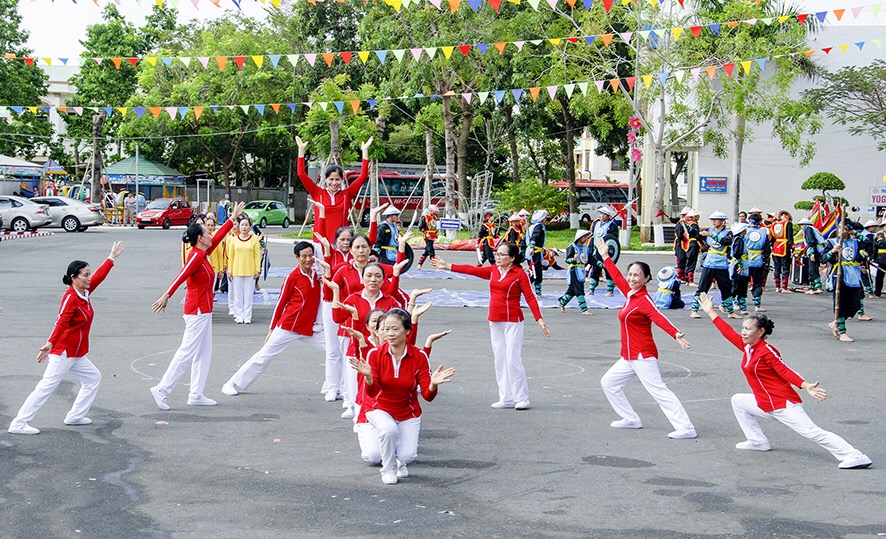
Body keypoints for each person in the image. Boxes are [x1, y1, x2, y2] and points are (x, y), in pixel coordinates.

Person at [697, 292, 872, 469]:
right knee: (738, 401)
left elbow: (784, 370)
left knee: (812, 432)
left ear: (761, 332)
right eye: (742, 328)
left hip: (782, 403)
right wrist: (711, 312)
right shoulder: (748, 346)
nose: (743, 332)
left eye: (747, 329)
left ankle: (855, 455)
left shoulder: (766, 351)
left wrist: (805, 386)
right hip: (765, 403)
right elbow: (727, 332)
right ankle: (757, 441)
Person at [7, 242, 125, 435]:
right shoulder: (71, 297)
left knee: (93, 378)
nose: (89, 278)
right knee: (46, 386)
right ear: (73, 277)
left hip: (76, 353)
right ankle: (19, 423)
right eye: (85, 275)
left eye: (89, 274)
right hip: (63, 351)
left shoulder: (84, 292)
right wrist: (50, 344)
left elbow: (100, 277)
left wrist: (111, 257)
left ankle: (75, 416)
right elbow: (61, 321)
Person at [593, 238, 697, 439]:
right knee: (609, 383)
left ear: (646, 278)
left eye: (637, 275)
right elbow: (616, 277)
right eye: (630, 274)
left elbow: (659, 317)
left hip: (642, 355)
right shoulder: (630, 293)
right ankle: (631, 419)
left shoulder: (643, 300)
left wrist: (675, 333)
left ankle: (686, 428)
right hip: (629, 356)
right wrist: (605, 256)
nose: (632, 278)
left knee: (659, 391)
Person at [432, 242, 550, 410]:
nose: (498, 257)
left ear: (512, 258)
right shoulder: (494, 270)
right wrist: (448, 266)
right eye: (497, 254)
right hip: (495, 320)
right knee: (500, 359)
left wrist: (539, 318)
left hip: (513, 321)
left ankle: (521, 398)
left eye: (502, 255)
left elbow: (530, 297)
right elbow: (473, 270)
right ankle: (506, 397)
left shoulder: (520, 274)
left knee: (512, 359)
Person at [150, 202, 245, 410]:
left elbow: (219, 237)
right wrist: (167, 295)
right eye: (207, 232)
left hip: (204, 311)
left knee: (204, 353)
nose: (211, 233)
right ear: (200, 238)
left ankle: (196, 393)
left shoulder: (203, 254)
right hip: (196, 311)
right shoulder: (195, 256)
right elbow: (181, 275)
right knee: (187, 352)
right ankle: (162, 389)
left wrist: (232, 218)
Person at [350, 309, 456, 484]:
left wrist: (433, 384)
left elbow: (428, 396)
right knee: (377, 449)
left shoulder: (419, 357)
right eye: (385, 329)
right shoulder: (374, 354)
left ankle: (398, 461)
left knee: (408, 455)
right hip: (378, 408)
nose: (389, 334)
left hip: (408, 412)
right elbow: (371, 392)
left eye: (394, 329)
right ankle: (388, 469)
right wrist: (368, 377)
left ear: (407, 331)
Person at [222, 242, 326, 396]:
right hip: (288, 326)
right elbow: (281, 303)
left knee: (334, 350)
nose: (308, 259)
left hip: (310, 328)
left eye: (311, 255)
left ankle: (333, 386)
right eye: (304, 256)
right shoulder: (292, 277)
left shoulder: (318, 276)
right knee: (263, 356)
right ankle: (232, 383)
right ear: (297, 258)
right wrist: (272, 328)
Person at [296, 136, 373, 243]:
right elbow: (301, 174)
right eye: (331, 179)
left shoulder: (347, 194)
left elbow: (363, 176)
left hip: (342, 243)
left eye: (337, 179)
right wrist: (301, 150)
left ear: (342, 180)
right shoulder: (317, 193)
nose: (334, 183)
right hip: (321, 242)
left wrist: (364, 152)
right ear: (326, 179)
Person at [823, 228, 866, 342]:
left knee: (856, 304)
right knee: (840, 305)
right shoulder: (832, 242)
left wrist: (861, 258)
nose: (843, 231)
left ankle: (836, 322)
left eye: (846, 229)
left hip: (853, 275)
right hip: (839, 275)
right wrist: (832, 251)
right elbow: (823, 259)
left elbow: (868, 246)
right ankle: (842, 332)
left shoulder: (856, 242)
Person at [690, 211, 736, 318]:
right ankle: (694, 310)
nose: (714, 221)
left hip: (721, 264)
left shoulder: (727, 233)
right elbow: (697, 236)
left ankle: (731, 312)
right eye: (712, 219)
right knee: (702, 287)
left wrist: (711, 235)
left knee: (726, 288)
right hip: (709, 263)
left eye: (716, 219)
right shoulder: (708, 231)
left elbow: (727, 241)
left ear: (723, 221)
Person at [226, 216, 262, 324]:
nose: (244, 227)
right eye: (242, 225)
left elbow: (257, 255)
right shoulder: (233, 240)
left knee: (248, 295)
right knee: (237, 294)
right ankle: (239, 315)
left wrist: (257, 269)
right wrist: (230, 270)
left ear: (250, 227)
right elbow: (230, 256)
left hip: (250, 270)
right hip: (237, 270)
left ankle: (247, 316)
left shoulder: (254, 239)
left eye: (246, 225)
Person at [558, 229, 593, 315]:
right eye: (584, 237)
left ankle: (562, 303)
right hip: (574, 271)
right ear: (579, 238)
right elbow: (568, 260)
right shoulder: (572, 247)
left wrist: (600, 264)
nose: (586, 238)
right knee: (579, 290)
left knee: (572, 291)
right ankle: (584, 309)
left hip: (581, 270)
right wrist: (573, 259)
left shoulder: (585, 248)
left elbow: (591, 259)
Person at [588, 206, 620, 296]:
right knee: (595, 270)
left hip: (606, 252)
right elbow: (593, 236)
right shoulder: (596, 224)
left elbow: (613, 239)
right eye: (600, 214)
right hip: (596, 250)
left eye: (604, 214)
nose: (601, 216)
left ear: (608, 216)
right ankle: (591, 290)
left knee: (608, 270)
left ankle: (610, 291)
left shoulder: (612, 225)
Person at [799, 218, 826, 294]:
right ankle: (812, 287)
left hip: (814, 250)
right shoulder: (813, 228)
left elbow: (811, 242)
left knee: (812, 269)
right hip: (818, 250)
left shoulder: (807, 229)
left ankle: (818, 287)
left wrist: (812, 253)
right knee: (813, 269)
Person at [769, 210, 794, 293]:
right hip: (784, 246)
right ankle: (784, 287)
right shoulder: (788, 224)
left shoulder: (774, 224)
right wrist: (792, 247)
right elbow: (790, 237)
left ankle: (777, 287)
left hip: (776, 246)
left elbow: (771, 238)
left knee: (777, 267)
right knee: (785, 267)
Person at [729, 222, 751, 315]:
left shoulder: (739, 239)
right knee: (737, 286)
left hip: (742, 265)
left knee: (742, 286)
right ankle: (726, 304)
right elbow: (737, 254)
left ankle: (743, 307)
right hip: (739, 265)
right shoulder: (739, 240)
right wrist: (741, 265)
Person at [526, 209, 547, 296]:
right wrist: (532, 247)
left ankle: (531, 289)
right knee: (536, 271)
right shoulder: (539, 227)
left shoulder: (533, 226)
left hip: (534, 250)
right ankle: (535, 291)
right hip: (534, 251)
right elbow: (535, 237)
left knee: (534, 271)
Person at [673, 206, 693, 282]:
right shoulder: (680, 224)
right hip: (680, 243)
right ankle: (680, 276)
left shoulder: (687, 224)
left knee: (685, 259)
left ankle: (684, 275)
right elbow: (680, 235)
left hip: (686, 243)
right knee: (681, 258)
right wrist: (683, 238)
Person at [417, 204, 439, 269]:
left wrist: (436, 233)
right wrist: (425, 233)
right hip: (427, 235)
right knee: (431, 250)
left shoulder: (434, 217)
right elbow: (421, 227)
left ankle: (419, 264)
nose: (434, 214)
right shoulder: (425, 217)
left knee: (427, 251)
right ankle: (435, 265)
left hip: (432, 236)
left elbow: (434, 227)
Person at [873, 220, 886, 297]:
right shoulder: (879, 236)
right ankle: (877, 292)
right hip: (881, 258)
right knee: (879, 277)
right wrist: (874, 258)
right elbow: (875, 248)